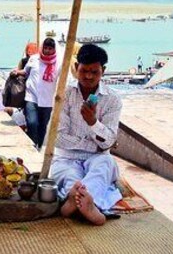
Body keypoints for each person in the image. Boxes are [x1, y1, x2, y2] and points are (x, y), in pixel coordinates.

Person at [51, 44, 123, 226]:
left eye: (94, 72)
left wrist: (93, 123)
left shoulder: (112, 99)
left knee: (104, 166)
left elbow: (109, 141)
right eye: (84, 71)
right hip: (67, 158)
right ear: (76, 68)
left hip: (98, 158)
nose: (89, 76)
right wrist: (96, 143)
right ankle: (85, 203)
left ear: (103, 71)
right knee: (70, 175)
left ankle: (81, 203)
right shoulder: (64, 94)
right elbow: (58, 137)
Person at [15, 37, 60, 148]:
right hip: (31, 97)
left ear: (54, 49)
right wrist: (16, 73)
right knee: (32, 123)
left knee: (43, 126)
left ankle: (39, 146)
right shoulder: (34, 59)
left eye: (50, 48)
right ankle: (32, 146)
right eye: (45, 48)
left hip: (48, 100)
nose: (47, 51)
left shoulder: (58, 63)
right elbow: (25, 72)